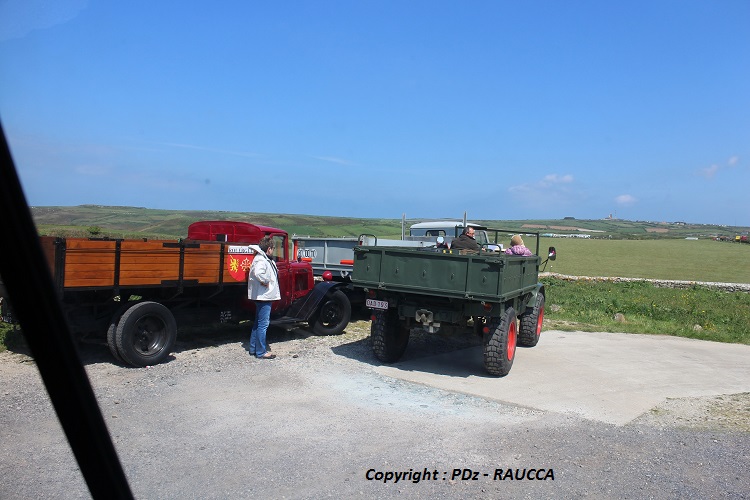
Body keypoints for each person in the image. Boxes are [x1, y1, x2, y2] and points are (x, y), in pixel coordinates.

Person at [247, 236, 281, 359]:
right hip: (264, 296)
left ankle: (253, 348)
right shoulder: (261, 259)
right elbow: (258, 273)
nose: (273, 250)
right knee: (263, 324)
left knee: (258, 322)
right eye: (272, 248)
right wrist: (265, 281)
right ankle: (261, 352)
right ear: (269, 249)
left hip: (262, 295)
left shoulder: (262, 258)